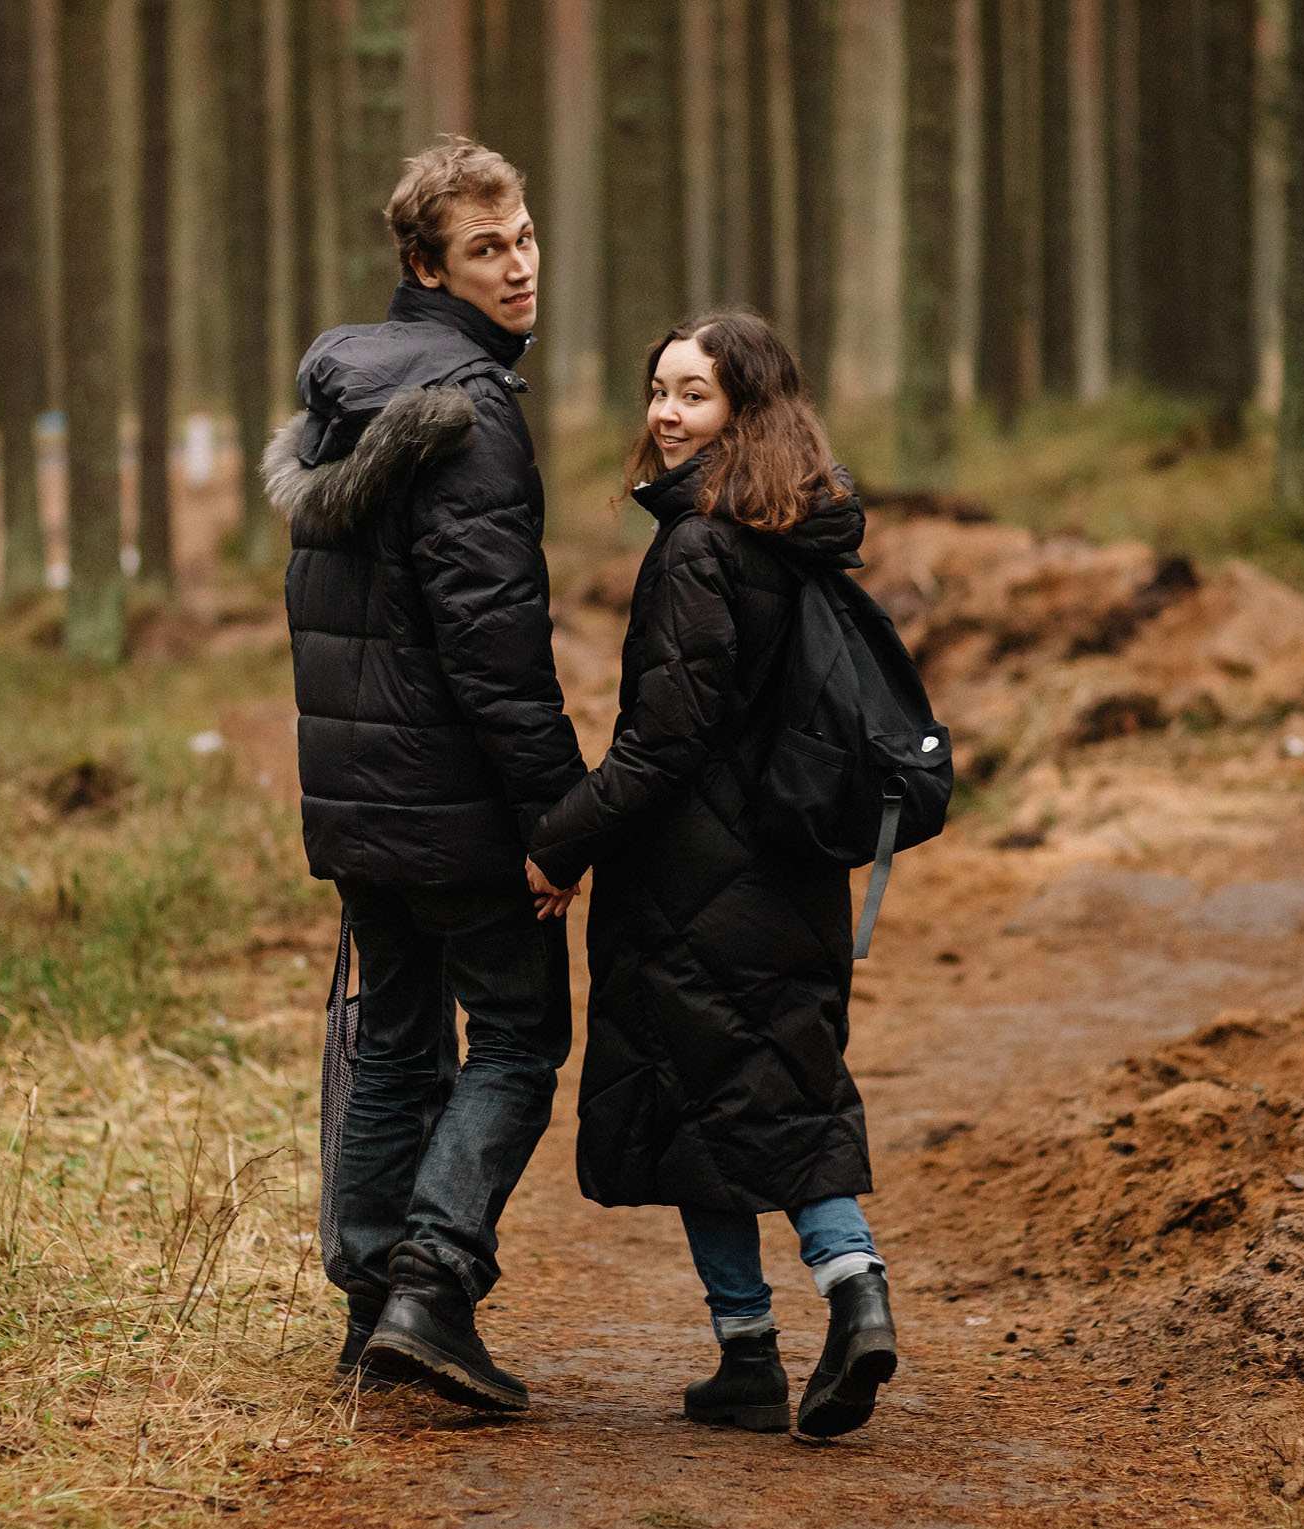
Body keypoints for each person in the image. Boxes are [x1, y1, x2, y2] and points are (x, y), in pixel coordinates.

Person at [523, 312, 899, 1439]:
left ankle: (799, 1317)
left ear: (747, 409)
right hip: (791, 867)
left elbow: (664, 739)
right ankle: (800, 1322)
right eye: (658, 390)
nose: (664, 413)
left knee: (717, 1098)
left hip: (696, 873)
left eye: (693, 395)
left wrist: (562, 840)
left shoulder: (700, 545)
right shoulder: (794, 529)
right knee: (765, 1087)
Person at [262, 137, 584, 1414]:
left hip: (355, 804)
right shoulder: (474, 417)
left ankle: (367, 1311)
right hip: (452, 808)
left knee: (393, 1040)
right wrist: (560, 819)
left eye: (523, 239)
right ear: (424, 264)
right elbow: (497, 648)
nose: (517, 270)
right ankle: (433, 1289)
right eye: (485, 250)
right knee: (517, 1034)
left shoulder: (340, 401)